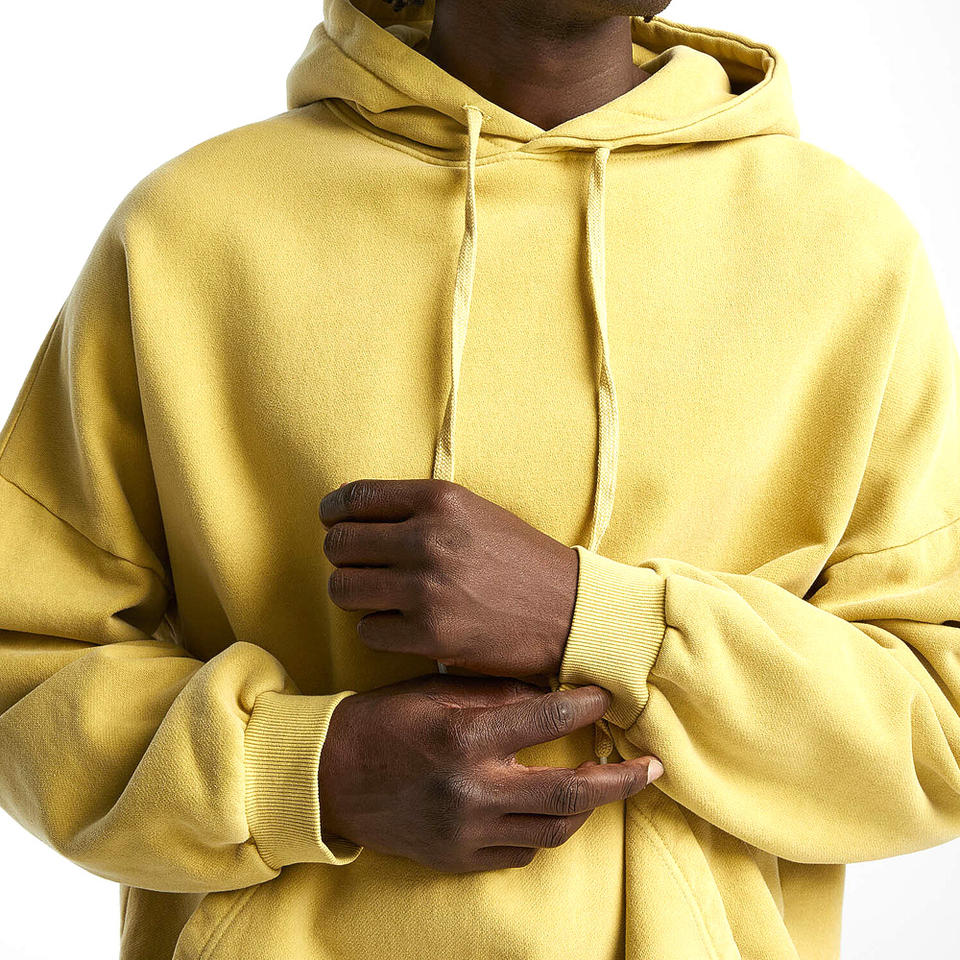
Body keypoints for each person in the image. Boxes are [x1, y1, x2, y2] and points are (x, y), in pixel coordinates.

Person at [1, 0, 958, 957]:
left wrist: (597, 620)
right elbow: (25, 662)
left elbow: (942, 724)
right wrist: (315, 772)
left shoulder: (845, 249)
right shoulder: (190, 227)